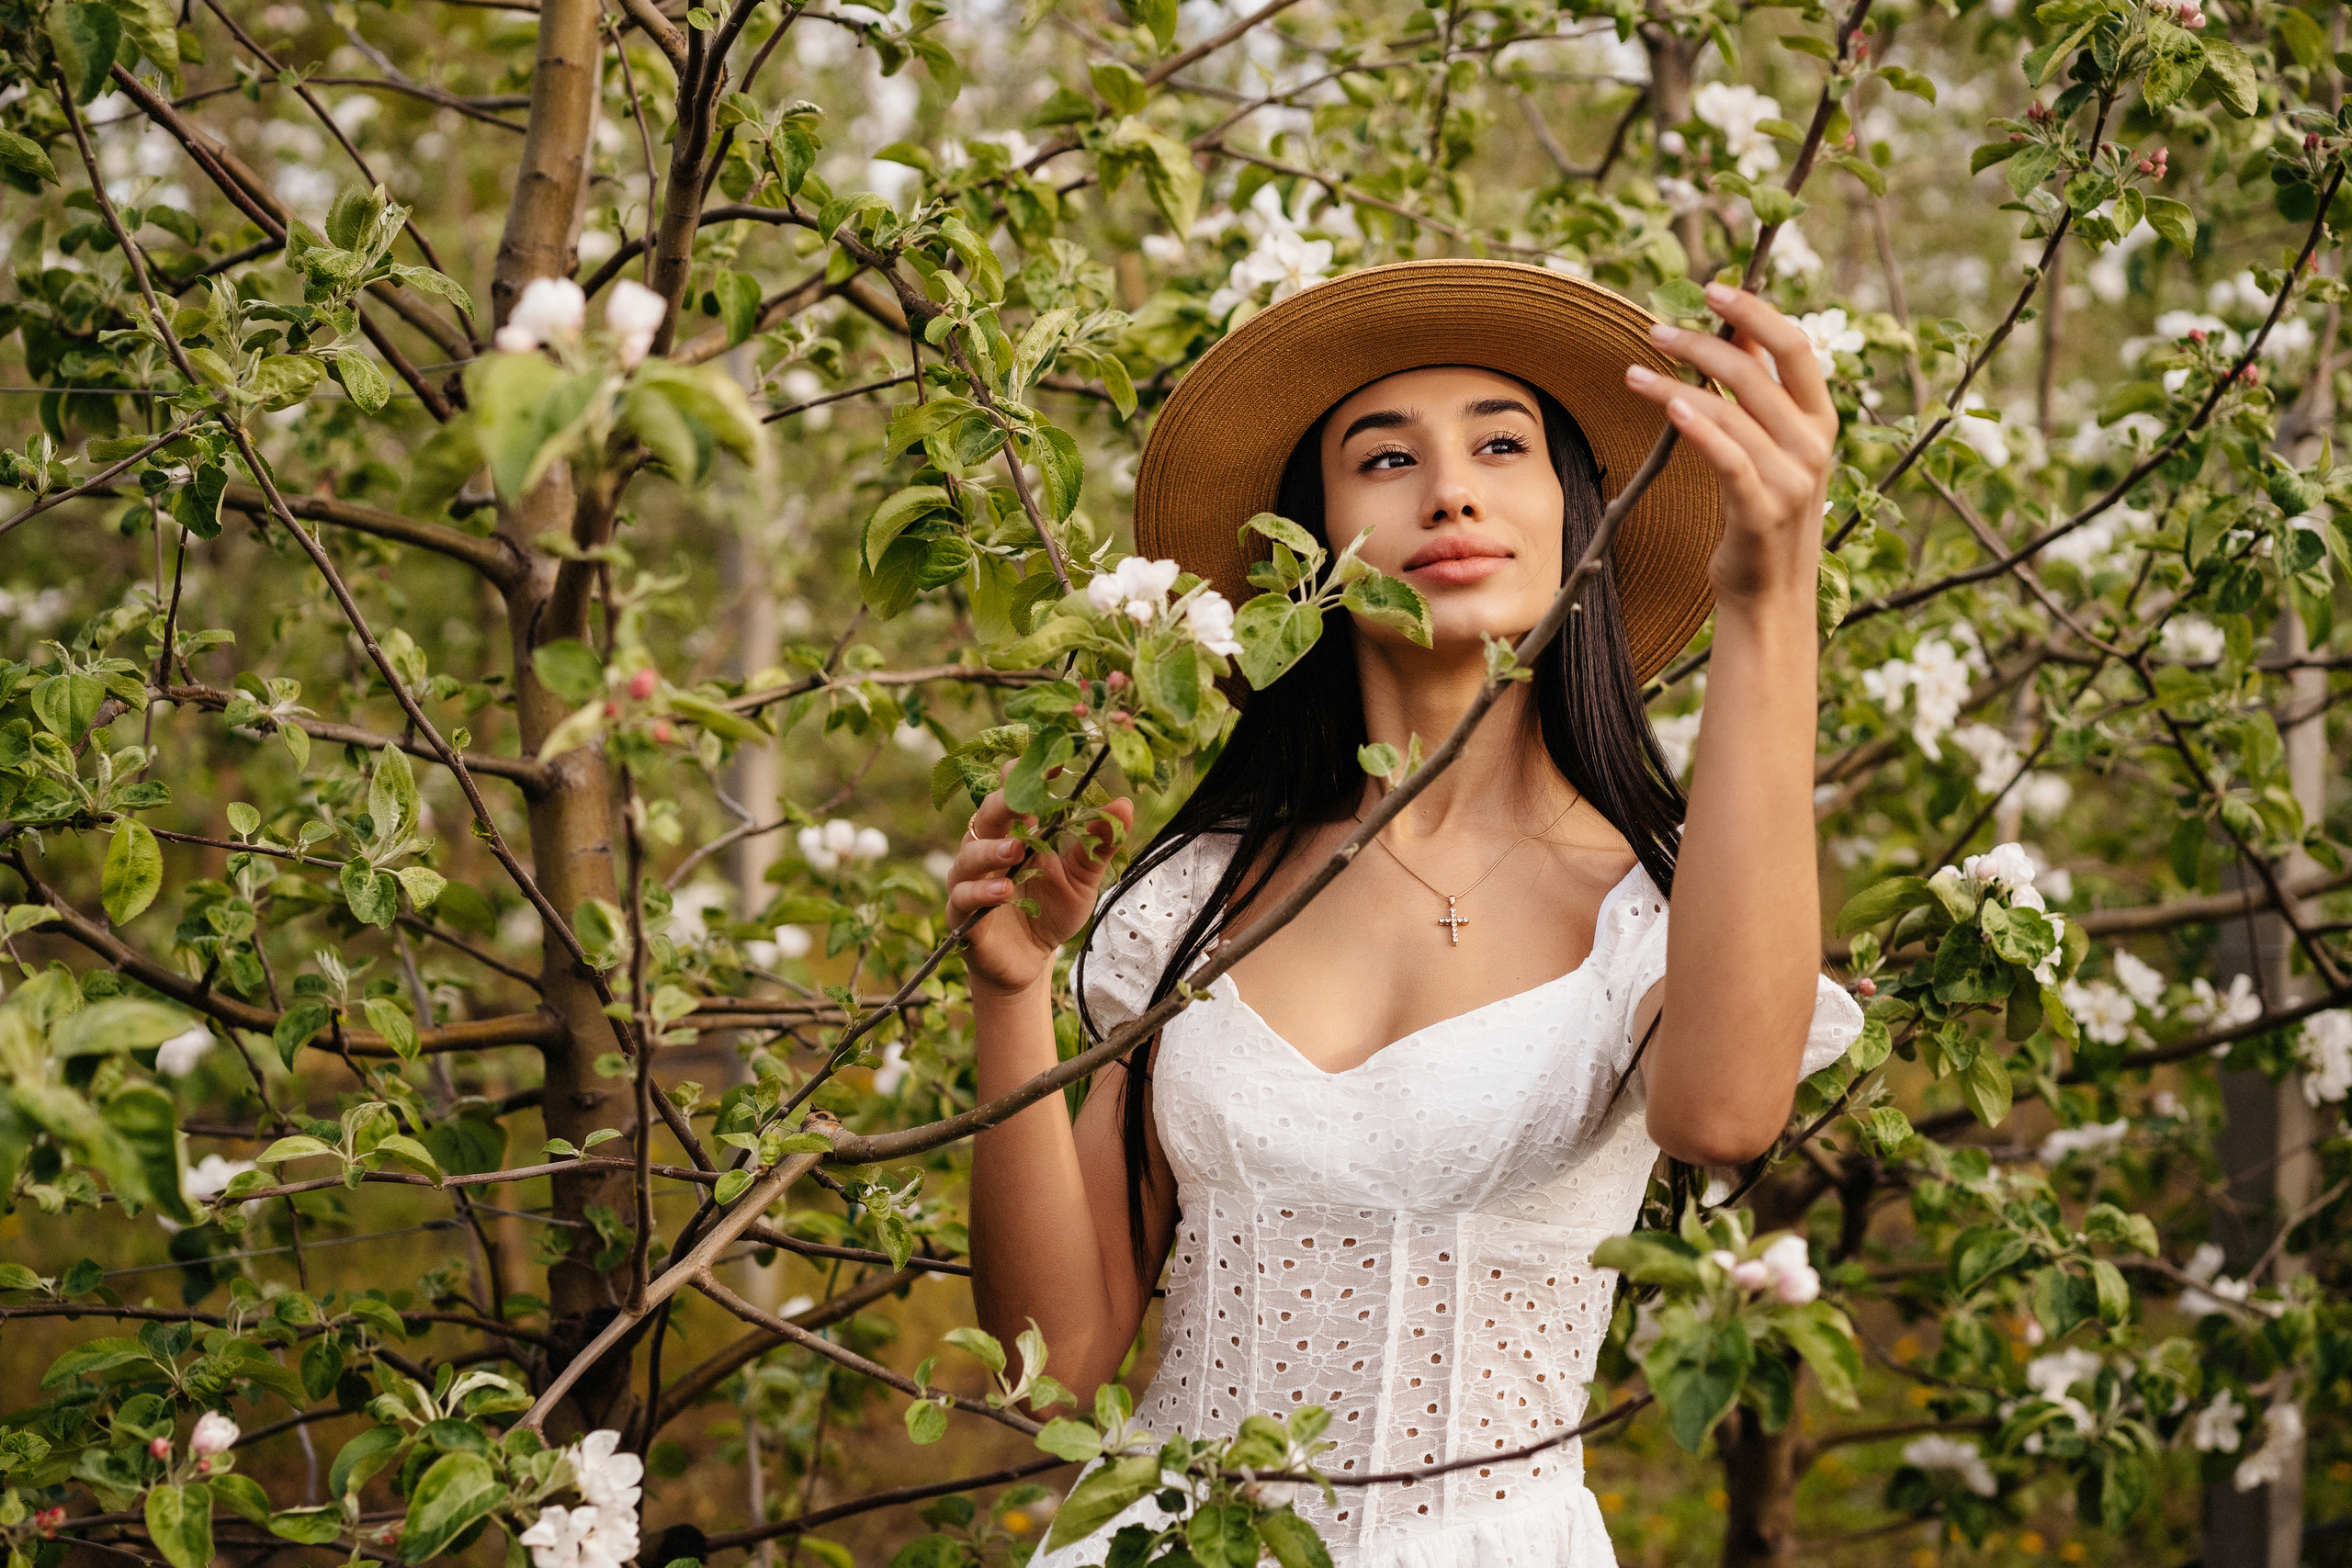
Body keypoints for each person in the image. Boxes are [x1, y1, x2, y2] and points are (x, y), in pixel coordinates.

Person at [946, 258, 1863, 1566]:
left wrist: (1771, 599)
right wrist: (1012, 994)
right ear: (1312, 544)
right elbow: (1052, 1373)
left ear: (1577, 514)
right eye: (1384, 459)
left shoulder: (1652, 913)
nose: (1450, 488)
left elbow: (1723, 1116)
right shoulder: (1201, 896)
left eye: (1504, 443)